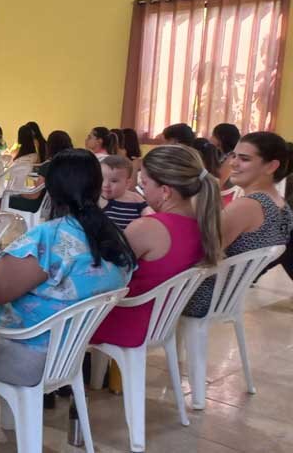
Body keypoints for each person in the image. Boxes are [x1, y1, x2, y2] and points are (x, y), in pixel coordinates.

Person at [0, 149, 137, 386]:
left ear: (50, 189)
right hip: (70, 354)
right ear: (97, 185)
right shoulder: (115, 239)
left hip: (24, 356)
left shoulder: (48, 238)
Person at [91, 145, 221, 347]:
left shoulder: (148, 228)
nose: (141, 191)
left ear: (165, 191)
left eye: (144, 184)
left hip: (127, 321)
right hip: (162, 320)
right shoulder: (204, 224)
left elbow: (102, 275)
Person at [184, 132, 292, 318]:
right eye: (233, 156)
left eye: (244, 159)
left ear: (271, 166)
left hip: (204, 296)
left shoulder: (248, 205)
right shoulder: (281, 204)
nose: (233, 163)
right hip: (230, 295)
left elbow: (202, 251)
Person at [100, 155, 149, 230]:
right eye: (102, 179)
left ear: (127, 183)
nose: (106, 185)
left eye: (114, 181)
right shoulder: (96, 198)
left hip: (129, 238)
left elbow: (150, 216)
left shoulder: (134, 199)